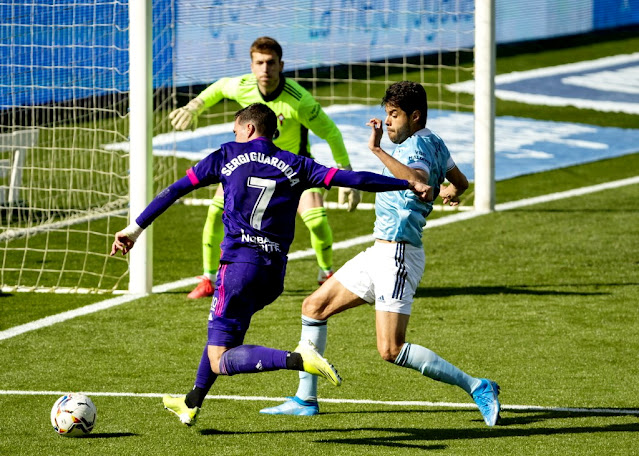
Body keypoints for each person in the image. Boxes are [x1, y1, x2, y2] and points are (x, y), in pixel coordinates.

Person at [110, 103, 434, 426]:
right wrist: (407, 183)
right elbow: (354, 178)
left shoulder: (226, 155)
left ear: (249, 129)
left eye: (236, 128)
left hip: (237, 268)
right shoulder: (296, 163)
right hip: (272, 275)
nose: (234, 134)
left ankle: (296, 358)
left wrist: (134, 229)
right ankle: (192, 401)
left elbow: (174, 190)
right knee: (224, 333)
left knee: (221, 358)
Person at [260, 81, 502, 427]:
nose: (387, 122)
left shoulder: (417, 146)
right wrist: (452, 190)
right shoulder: (434, 140)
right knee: (313, 307)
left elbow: (418, 179)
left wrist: (377, 151)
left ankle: (478, 386)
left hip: (399, 255)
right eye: (386, 114)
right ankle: (305, 397)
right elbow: (459, 181)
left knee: (390, 349)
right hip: (380, 251)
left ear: (414, 116)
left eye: (394, 115)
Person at [169, 36, 361, 298]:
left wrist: (345, 172)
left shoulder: (300, 100)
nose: (265, 69)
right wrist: (194, 106)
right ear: (251, 66)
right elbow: (219, 87)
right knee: (215, 213)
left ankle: (325, 273)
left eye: (271, 63)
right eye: (259, 63)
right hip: (247, 167)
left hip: (291, 170)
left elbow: (331, 133)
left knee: (316, 221)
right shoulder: (242, 87)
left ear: (281, 65)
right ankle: (208, 279)